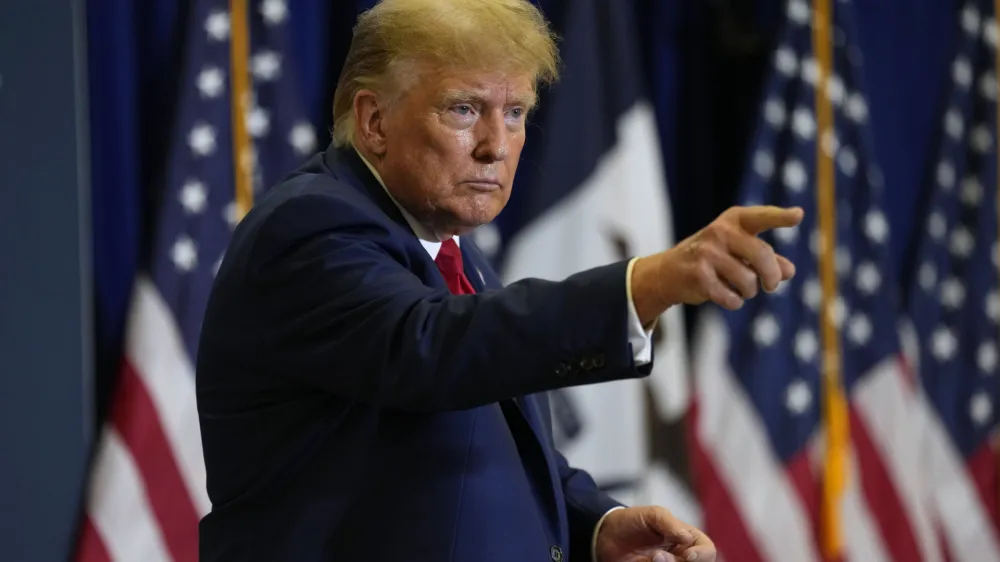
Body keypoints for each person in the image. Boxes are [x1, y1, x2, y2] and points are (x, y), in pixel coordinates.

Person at [195, 0, 802, 560]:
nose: (496, 146)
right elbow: (430, 349)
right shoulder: (309, 229)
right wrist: (646, 284)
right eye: (464, 109)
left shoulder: (449, 250)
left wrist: (592, 525)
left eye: (515, 114)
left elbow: (483, 439)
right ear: (374, 121)